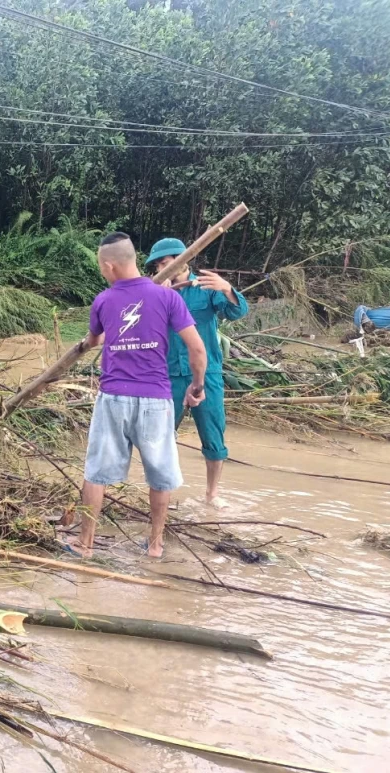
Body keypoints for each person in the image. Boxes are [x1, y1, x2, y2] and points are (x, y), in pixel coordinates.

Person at [62, 232, 207, 558]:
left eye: (102, 267)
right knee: (160, 473)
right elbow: (198, 350)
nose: (102, 272)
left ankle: (85, 544)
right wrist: (196, 387)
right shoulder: (168, 298)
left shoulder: (104, 300)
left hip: (114, 397)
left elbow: (93, 341)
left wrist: (82, 345)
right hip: (157, 400)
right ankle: (155, 545)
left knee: (96, 472)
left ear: (110, 266)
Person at [145, 238, 249, 507]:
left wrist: (227, 289)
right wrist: (160, 297)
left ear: (183, 260)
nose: (162, 268)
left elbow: (237, 312)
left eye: (166, 263)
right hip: (167, 374)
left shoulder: (205, 288)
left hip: (207, 373)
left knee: (213, 435)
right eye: (158, 265)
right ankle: (162, 492)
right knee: (161, 436)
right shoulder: (155, 291)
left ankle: (212, 494)